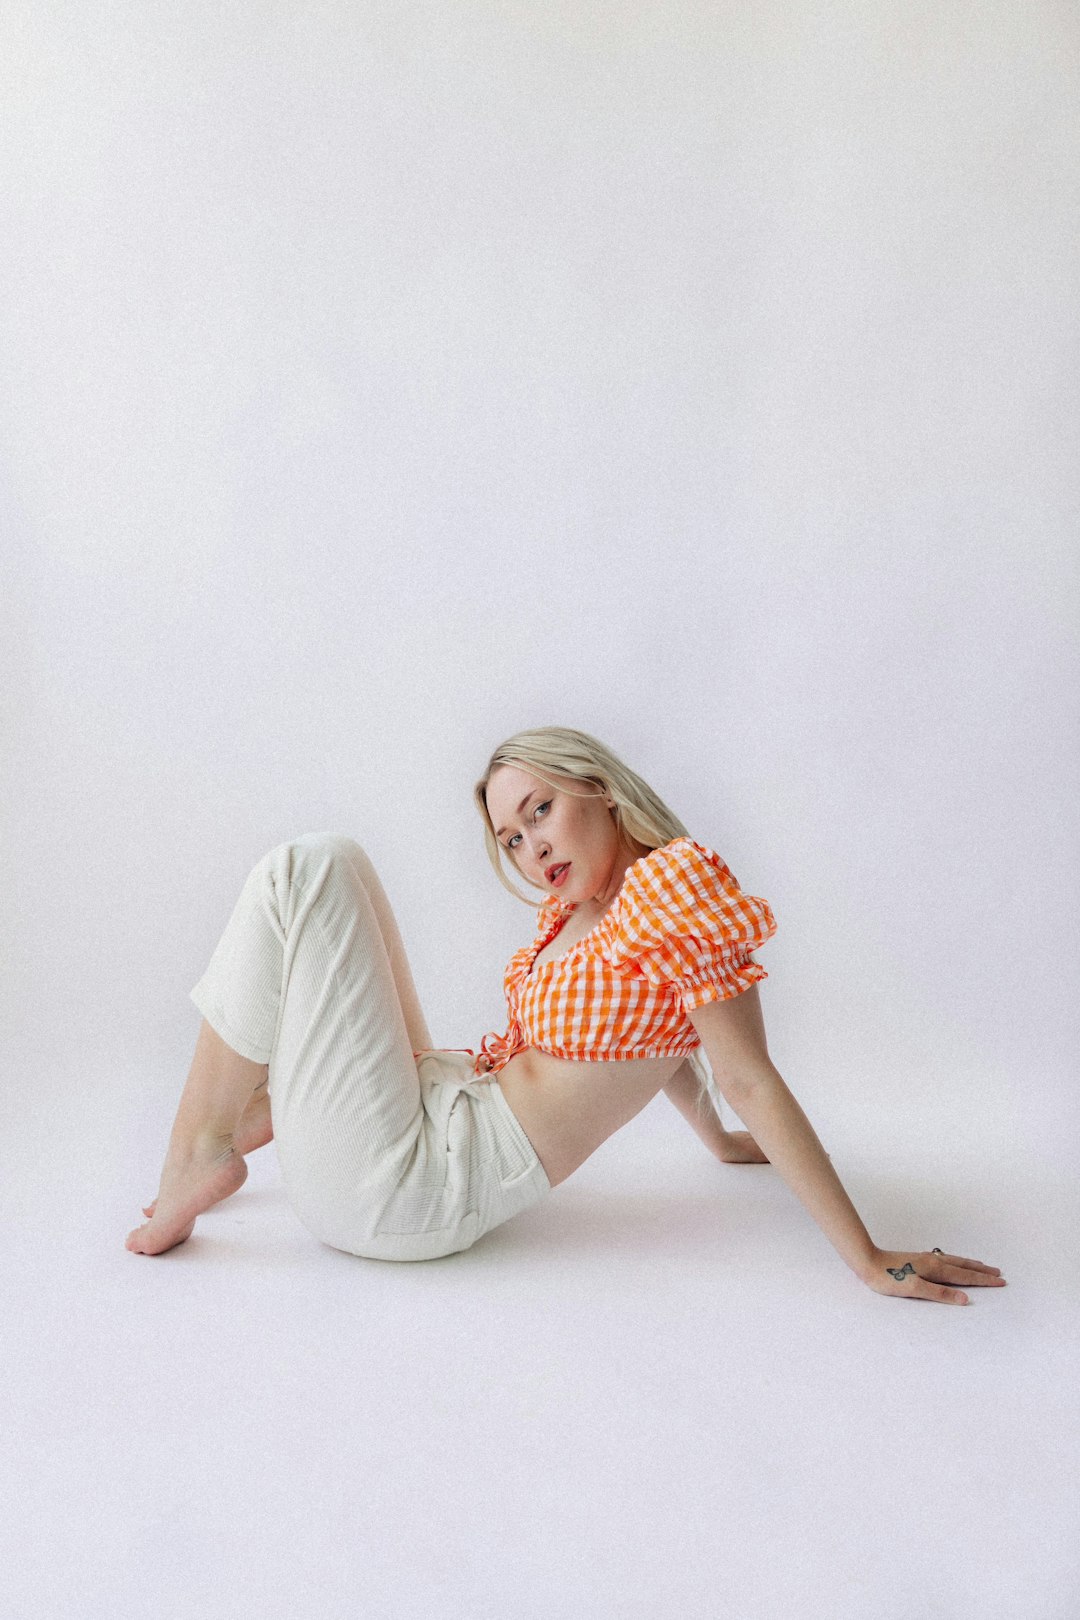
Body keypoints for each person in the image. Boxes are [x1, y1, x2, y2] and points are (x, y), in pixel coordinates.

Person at [126, 726, 1006, 1306]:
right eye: (511, 836)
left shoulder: (674, 884)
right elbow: (664, 1040)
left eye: (539, 810)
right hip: (432, 1110)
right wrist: (722, 1143)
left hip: (409, 1187)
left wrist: (867, 1257)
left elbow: (744, 1071)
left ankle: (205, 1143)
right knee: (342, 865)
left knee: (304, 869)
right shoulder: (583, 913)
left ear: (603, 789)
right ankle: (262, 1106)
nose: (529, 845)